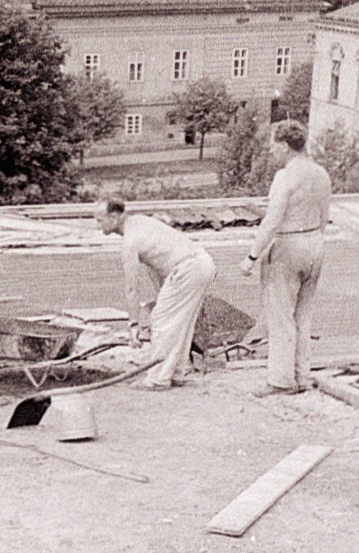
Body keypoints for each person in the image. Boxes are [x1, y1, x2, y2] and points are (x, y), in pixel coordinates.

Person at [240, 120, 331, 397]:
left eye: (273, 145)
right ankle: (302, 376)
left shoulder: (285, 177)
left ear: (284, 145)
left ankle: (280, 380)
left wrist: (251, 256)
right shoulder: (320, 174)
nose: (271, 151)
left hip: (289, 244)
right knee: (303, 315)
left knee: (280, 316)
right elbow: (324, 216)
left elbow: (272, 221)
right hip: (315, 243)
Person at [94, 199, 216, 390]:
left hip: (189, 267)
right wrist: (162, 296)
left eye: (100, 219)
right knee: (179, 323)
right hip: (199, 263)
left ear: (114, 216)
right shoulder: (140, 221)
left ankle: (158, 379)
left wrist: (133, 325)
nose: (98, 224)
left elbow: (132, 288)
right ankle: (178, 371)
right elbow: (157, 267)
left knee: (161, 320)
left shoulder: (130, 242)